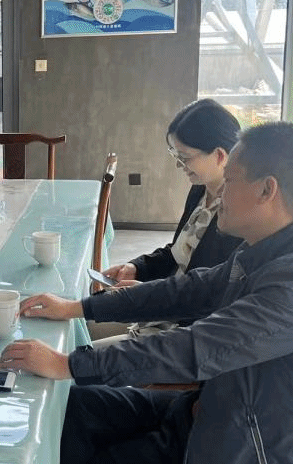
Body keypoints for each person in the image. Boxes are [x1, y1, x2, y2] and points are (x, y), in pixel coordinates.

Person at [0, 122, 293, 464]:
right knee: (77, 410)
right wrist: (79, 308)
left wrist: (69, 363)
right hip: (234, 420)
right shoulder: (277, 245)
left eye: (231, 180)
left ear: (267, 190)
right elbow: (190, 290)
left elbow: (195, 349)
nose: (220, 192)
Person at [90, 98, 242, 343]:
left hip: (187, 333)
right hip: (162, 311)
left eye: (185, 157)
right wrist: (137, 268)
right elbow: (177, 252)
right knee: (79, 324)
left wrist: (146, 295)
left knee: (79, 353)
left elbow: (211, 298)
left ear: (219, 155)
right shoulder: (200, 190)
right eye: (175, 154)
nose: (179, 164)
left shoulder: (238, 216)